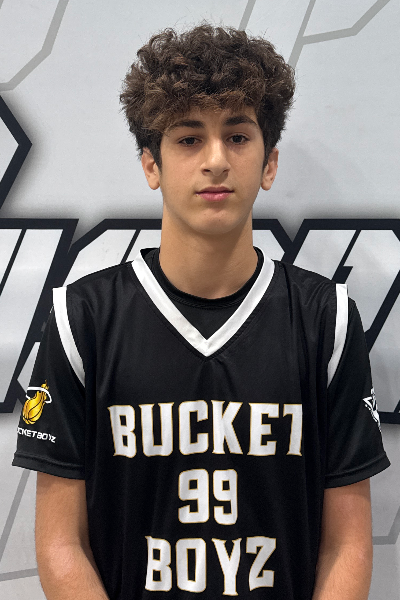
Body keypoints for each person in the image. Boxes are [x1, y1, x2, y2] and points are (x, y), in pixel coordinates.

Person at [13, 22, 390, 600]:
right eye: (189, 139)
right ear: (151, 165)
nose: (216, 160)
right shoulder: (81, 320)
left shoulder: (327, 320)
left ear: (269, 163)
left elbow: (348, 545)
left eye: (237, 136)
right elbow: (62, 544)